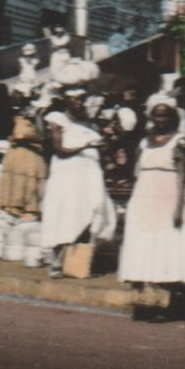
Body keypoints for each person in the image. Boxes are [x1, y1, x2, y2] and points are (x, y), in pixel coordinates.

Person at [117, 101, 185, 320]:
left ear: (172, 118)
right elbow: (137, 172)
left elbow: (183, 177)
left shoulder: (179, 142)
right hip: (144, 198)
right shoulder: (144, 143)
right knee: (144, 246)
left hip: (169, 198)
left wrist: (178, 208)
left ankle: (167, 305)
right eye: (157, 116)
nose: (161, 120)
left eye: (165, 116)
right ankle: (146, 302)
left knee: (167, 247)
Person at [40, 92, 118, 277]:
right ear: (67, 101)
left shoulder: (88, 122)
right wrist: (87, 146)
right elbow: (59, 150)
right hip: (67, 174)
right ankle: (57, 261)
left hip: (87, 175)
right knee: (64, 213)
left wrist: (103, 144)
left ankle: (77, 262)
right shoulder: (57, 119)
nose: (81, 103)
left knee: (87, 213)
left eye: (82, 99)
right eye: (77, 99)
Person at [0, 96, 50, 221]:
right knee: (18, 186)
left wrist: (28, 135)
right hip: (19, 159)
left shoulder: (37, 116)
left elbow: (42, 135)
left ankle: (29, 211)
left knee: (30, 188)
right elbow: (16, 134)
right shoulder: (18, 117)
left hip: (31, 159)